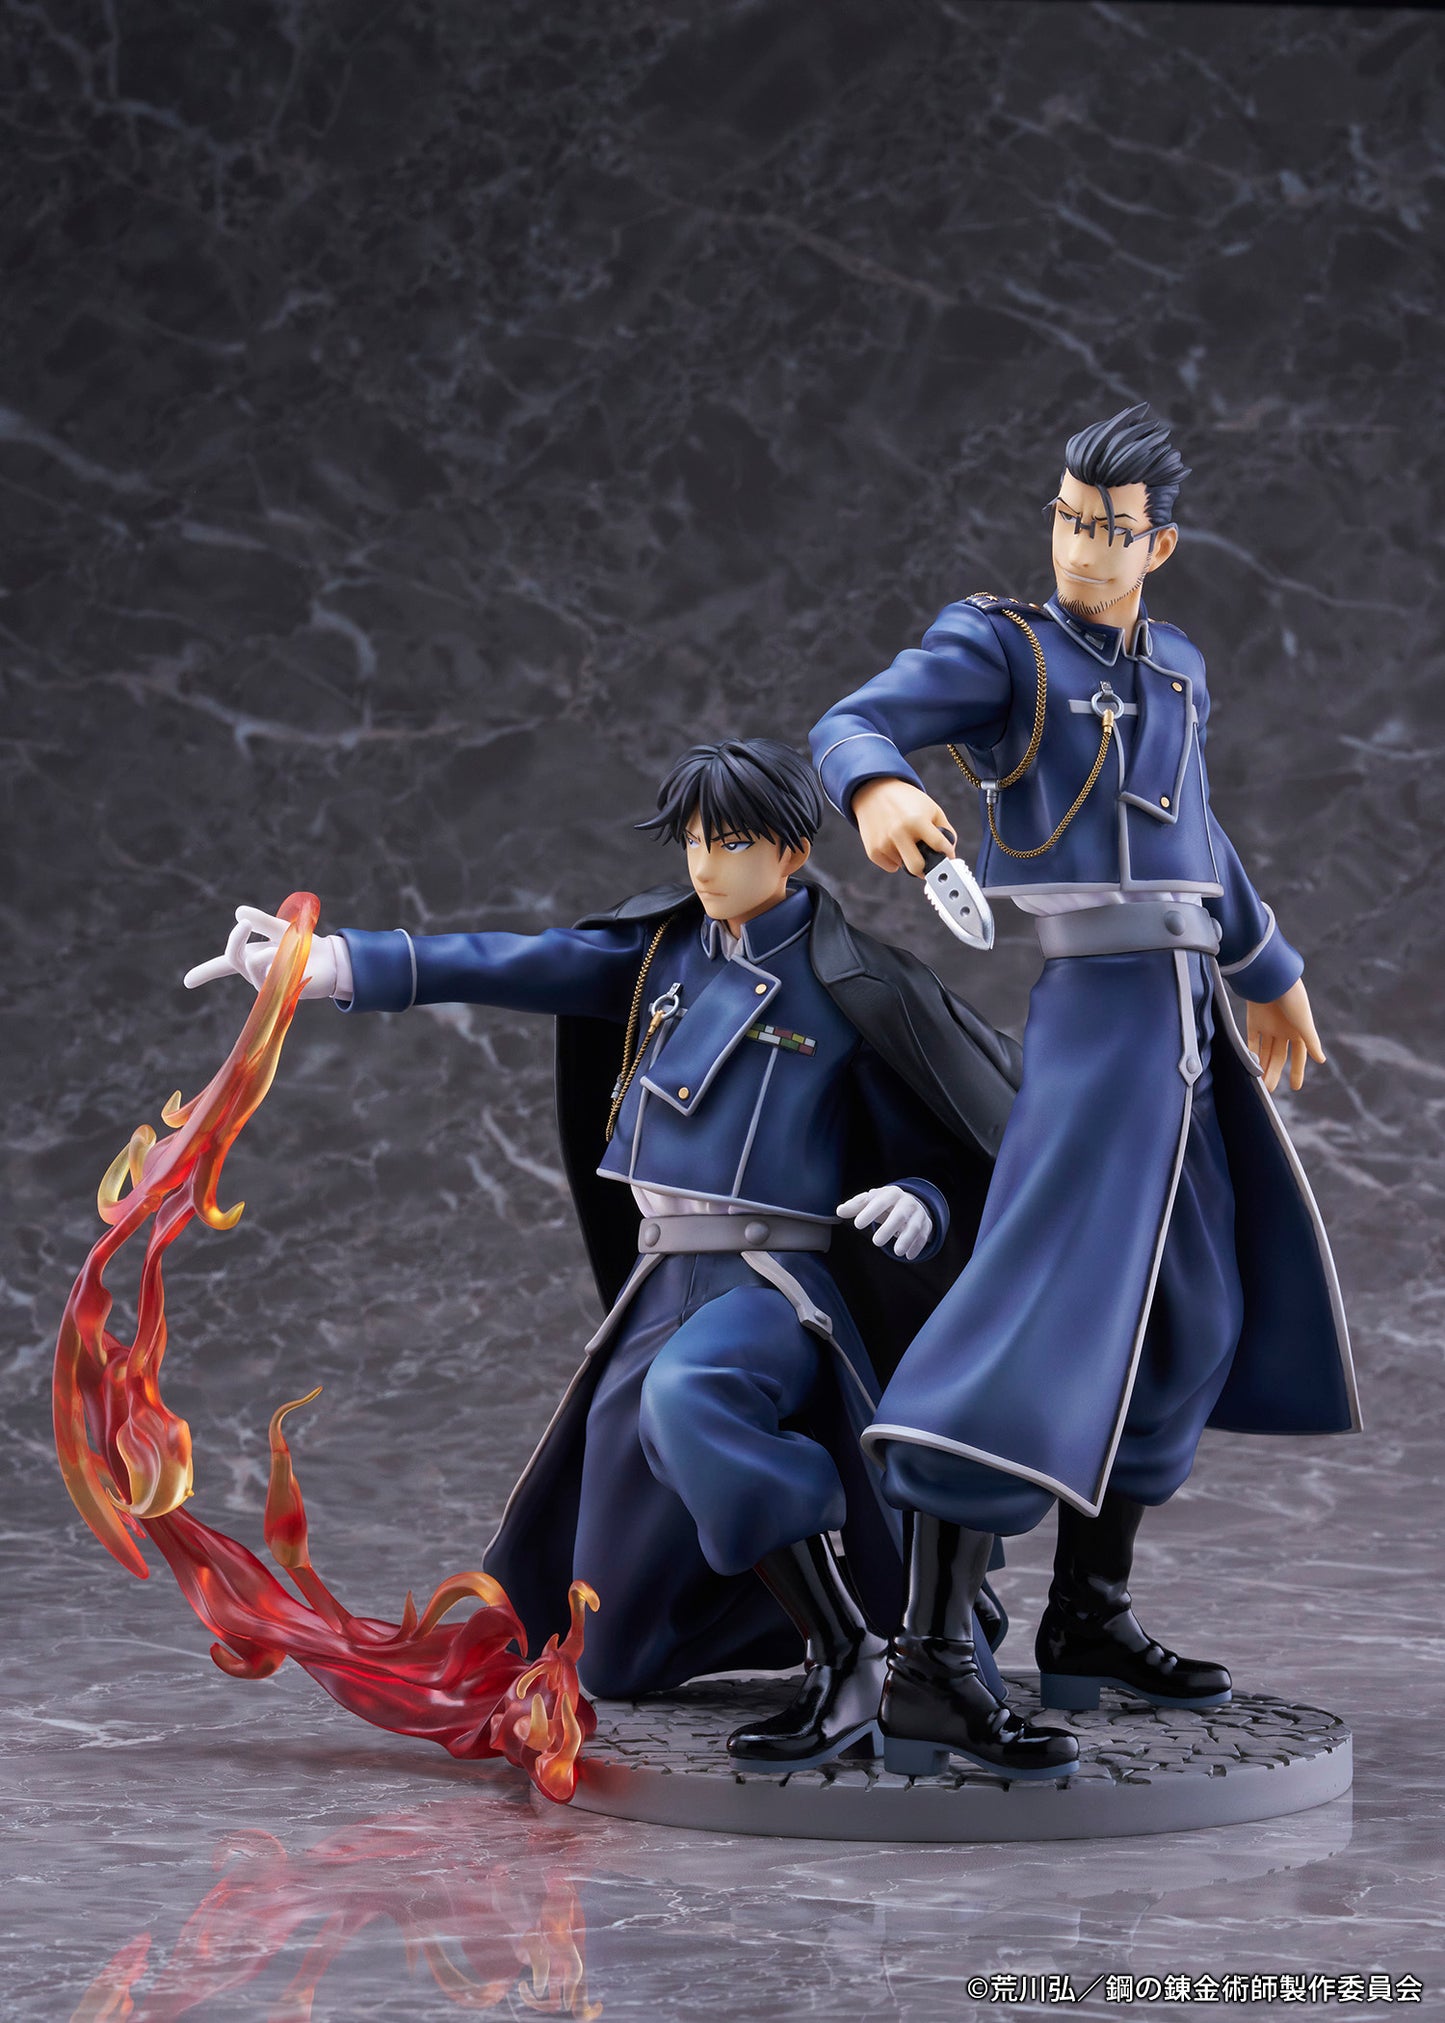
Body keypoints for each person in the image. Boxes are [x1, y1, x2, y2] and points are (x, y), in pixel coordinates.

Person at [185, 738, 1075, 1777]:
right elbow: (512, 963)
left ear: (790, 851)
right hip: (658, 1284)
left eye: (730, 842)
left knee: (692, 1398)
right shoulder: (661, 954)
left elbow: (957, 1130)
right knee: (606, 1644)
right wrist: (327, 964)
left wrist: (922, 1197)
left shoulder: (852, 983)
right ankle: (815, 1604)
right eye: (694, 840)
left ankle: (850, 1655)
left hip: (769, 1283)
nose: (705, 864)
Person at [809, 404, 1359, 1779]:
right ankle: (930, 1662)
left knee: (1189, 1315)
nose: (1079, 545)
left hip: (1184, 1020)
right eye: (1065, 517)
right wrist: (875, 788)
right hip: (1099, 1018)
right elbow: (853, 718)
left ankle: (1087, 1617)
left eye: (1108, 528)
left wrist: (1267, 965)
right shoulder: (1001, 647)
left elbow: (1199, 831)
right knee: (1036, 1313)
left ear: (1156, 544)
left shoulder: (1175, 665)